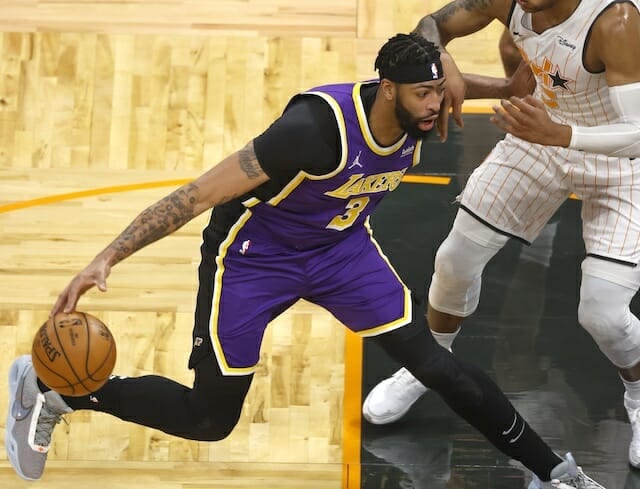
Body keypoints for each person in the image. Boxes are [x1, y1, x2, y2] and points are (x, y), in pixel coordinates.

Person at [4, 33, 601, 489]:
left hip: (340, 251)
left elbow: (452, 72)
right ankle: (57, 391)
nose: (435, 106)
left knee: (437, 367)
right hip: (253, 257)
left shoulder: (428, 106)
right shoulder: (314, 129)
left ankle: (555, 474)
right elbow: (197, 195)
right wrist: (107, 257)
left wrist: (511, 85)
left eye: (439, 92)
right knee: (210, 419)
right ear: (387, 88)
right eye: (423, 94)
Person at [362, 0, 640, 473]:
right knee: (455, 260)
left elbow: (637, 133)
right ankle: (430, 363)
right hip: (542, 135)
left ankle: (637, 394)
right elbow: (433, 23)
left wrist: (561, 135)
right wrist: (442, 60)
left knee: (604, 315)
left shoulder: (616, 22)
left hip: (619, 158)